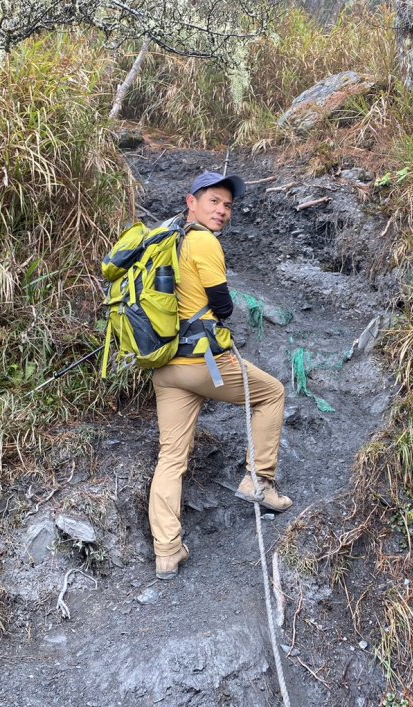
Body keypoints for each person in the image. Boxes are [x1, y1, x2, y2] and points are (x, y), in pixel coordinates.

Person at [150, 171, 293, 580]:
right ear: (191, 200)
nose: (222, 211)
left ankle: (167, 551)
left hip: (165, 366)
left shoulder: (164, 238)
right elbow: (223, 305)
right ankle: (259, 482)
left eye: (228, 205)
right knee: (272, 393)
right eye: (214, 201)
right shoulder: (202, 241)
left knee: (171, 457)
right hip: (203, 362)